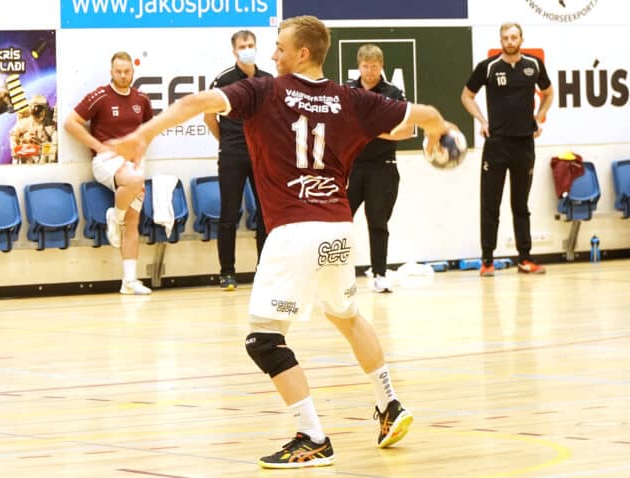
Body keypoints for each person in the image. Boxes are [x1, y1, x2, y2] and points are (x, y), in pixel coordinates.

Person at [110, 15, 459, 468]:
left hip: (295, 232)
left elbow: (198, 101)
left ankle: (312, 436)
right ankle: (389, 403)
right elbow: (427, 114)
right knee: (347, 316)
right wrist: (438, 133)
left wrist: (143, 134)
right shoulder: (351, 99)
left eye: (279, 47)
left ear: (302, 53)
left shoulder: (264, 91)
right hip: (338, 228)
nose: (272, 54)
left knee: (264, 339)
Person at [461, 22, 554, 277]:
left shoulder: (534, 65)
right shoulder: (488, 67)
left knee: (520, 204)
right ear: (500, 40)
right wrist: (482, 121)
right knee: (490, 203)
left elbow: (548, 93)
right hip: (496, 144)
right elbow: (466, 96)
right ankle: (487, 261)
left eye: (514, 37)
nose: (510, 41)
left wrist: (539, 118)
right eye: (505, 37)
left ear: (521, 39)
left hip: (524, 144)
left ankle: (525, 259)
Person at [64, 51, 153, 295]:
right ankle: (115, 215)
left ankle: (129, 281)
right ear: (111, 72)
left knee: (132, 222)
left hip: (132, 162)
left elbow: (147, 131)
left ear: (133, 72)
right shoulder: (100, 96)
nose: (123, 75)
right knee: (135, 179)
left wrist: (138, 154)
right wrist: (99, 146)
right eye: (118, 71)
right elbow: (70, 123)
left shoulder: (142, 99)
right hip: (106, 161)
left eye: (127, 71)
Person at [203, 30, 273, 291]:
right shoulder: (223, 80)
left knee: (266, 213)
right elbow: (209, 117)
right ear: (234, 51)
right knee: (229, 214)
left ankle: (264, 270)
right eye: (242, 46)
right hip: (232, 154)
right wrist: (227, 142)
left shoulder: (268, 80)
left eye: (250, 45)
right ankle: (227, 272)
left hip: (262, 155)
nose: (247, 49)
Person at [345, 44, 409, 293]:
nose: (370, 71)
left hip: (383, 167)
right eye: (365, 66)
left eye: (374, 66)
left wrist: (372, 131)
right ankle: (337, 276)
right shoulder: (348, 91)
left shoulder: (393, 93)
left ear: (381, 66)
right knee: (340, 221)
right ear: (358, 66)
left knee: (378, 222)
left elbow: (406, 130)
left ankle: (380, 274)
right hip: (352, 166)